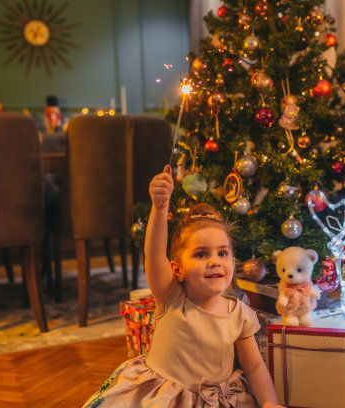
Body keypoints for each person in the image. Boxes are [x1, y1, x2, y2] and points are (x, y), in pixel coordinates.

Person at [83, 165, 282, 407]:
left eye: (222, 253)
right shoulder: (171, 297)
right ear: (177, 269)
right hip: (165, 400)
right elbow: (154, 255)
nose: (214, 261)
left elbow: (253, 366)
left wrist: (270, 403)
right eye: (201, 254)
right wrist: (160, 207)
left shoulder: (240, 314)